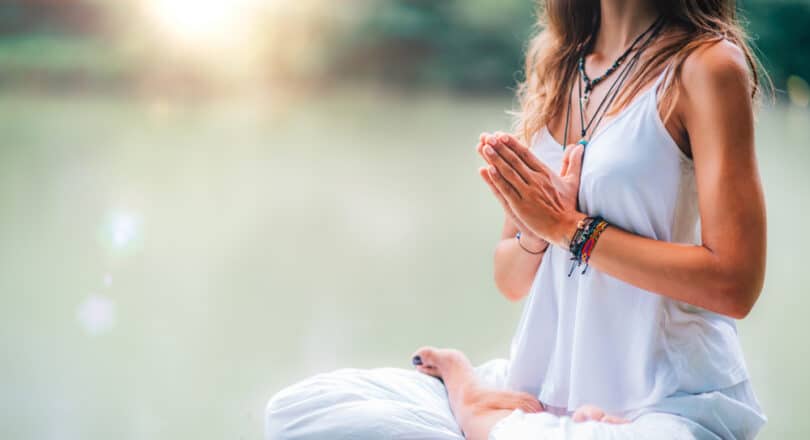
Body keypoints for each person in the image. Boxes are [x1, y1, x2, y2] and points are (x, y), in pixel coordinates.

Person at [265, 0, 769, 438]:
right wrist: (535, 231)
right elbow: (509, 277)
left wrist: (567, 228)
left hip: (661, 399)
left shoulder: (706, 67)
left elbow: (734, 284)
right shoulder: (557, 65)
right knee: (299, 414)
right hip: (544, 388)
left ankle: (472, 403)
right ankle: (494, 412)